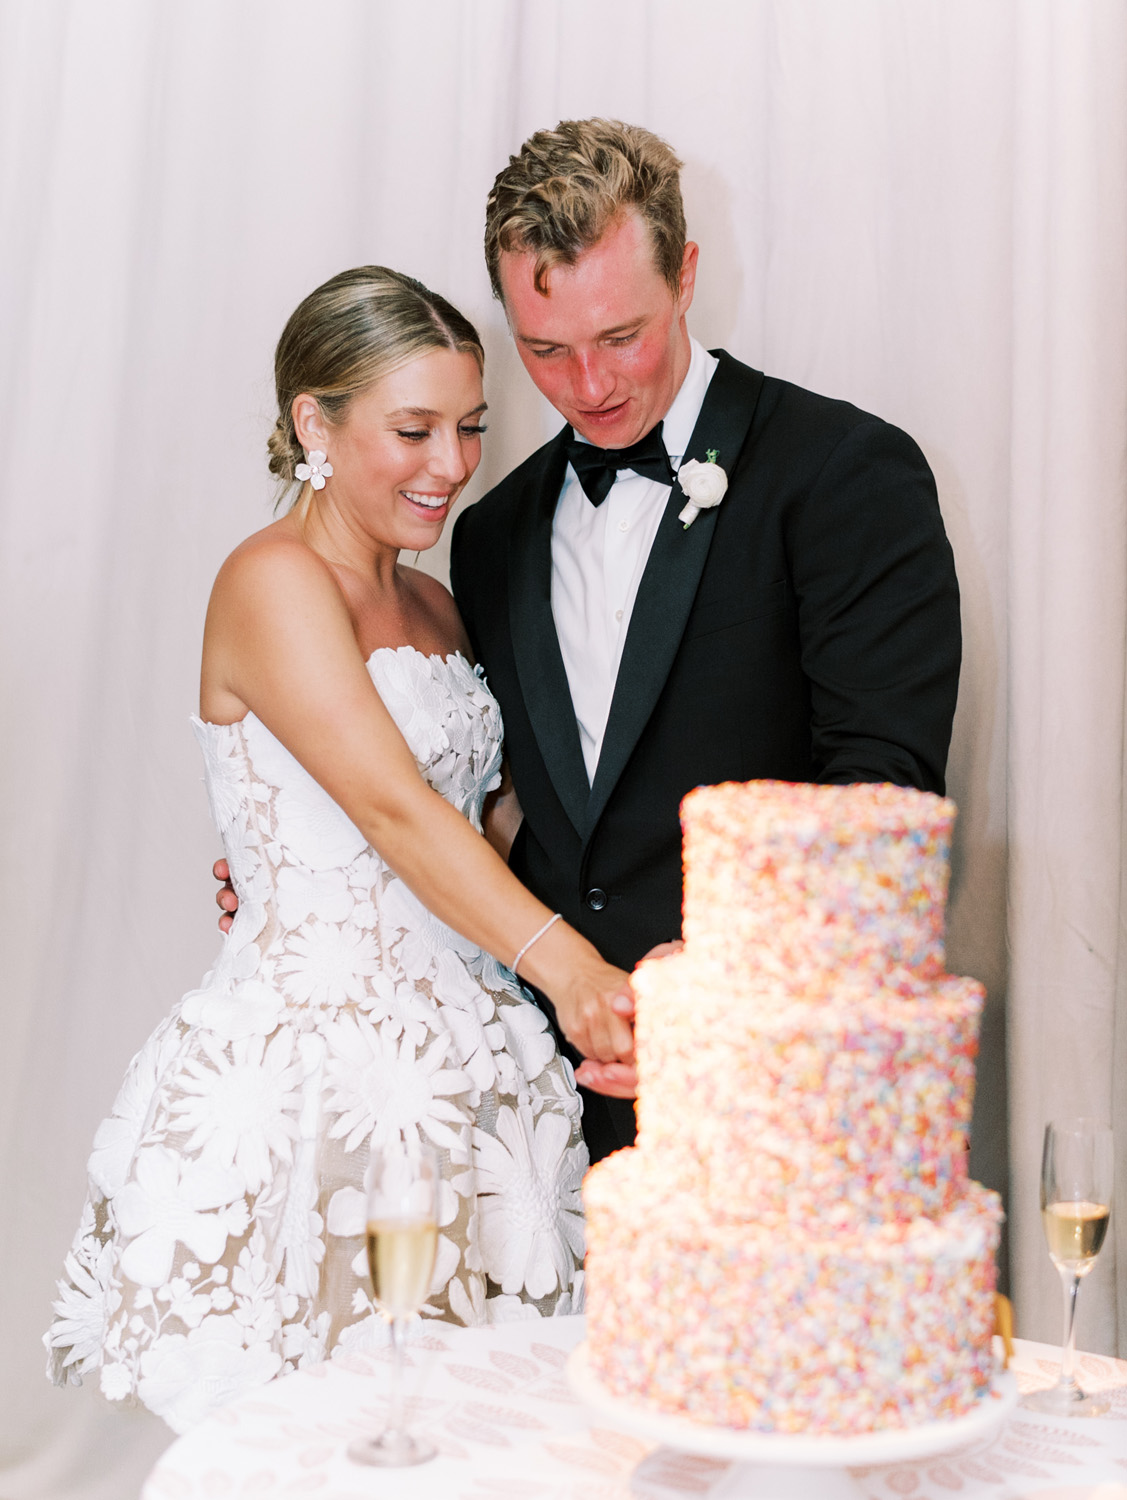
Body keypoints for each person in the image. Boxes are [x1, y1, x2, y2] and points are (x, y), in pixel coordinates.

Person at [45, 266, 632, 1434]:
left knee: (470, 1426)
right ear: (314, 422)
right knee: (324, 1427)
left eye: (469, 427)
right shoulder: (269, 581)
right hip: (324, 1077)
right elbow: (391, 812)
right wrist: (576, 974)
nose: (452, 465)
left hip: (472, 1070)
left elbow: (479, 823)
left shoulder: (436, 606)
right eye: (412, 430)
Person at [448, 119, 962, 1162]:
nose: (587, 387)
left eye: (620, 337)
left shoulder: (842, 472)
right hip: (545, 1105)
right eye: (544, 351)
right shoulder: (489, 535)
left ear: (683, 274)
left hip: (780, 1091)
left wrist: (707, 1004)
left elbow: (879, 798)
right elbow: (499, 809)